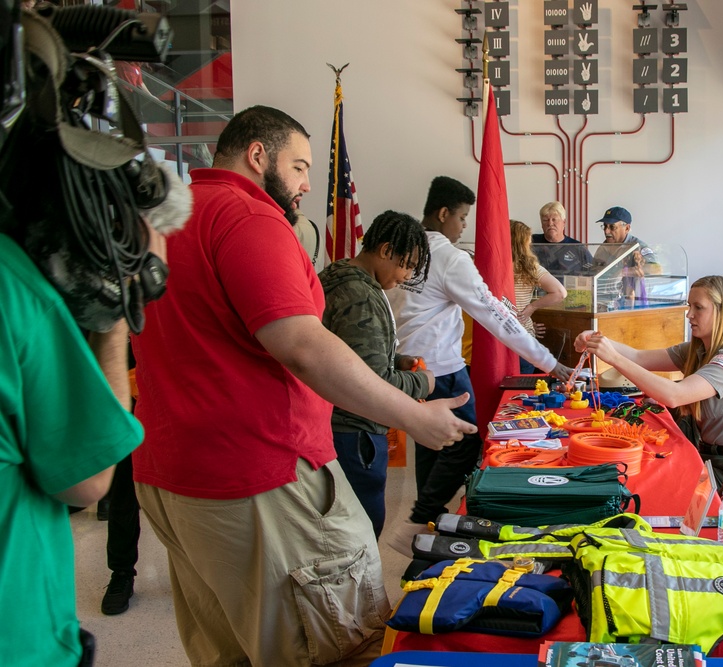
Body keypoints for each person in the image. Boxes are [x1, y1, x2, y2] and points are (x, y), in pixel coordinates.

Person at [131, 106, 477, 667]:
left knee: (232, 649)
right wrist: (415, 415)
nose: (307, 183)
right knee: (339, 644)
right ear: (258, 155)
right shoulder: (249, 216)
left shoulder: (167, 217)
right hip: (259, 472)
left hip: (172, 474)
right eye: (299, 166)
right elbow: (303, 345)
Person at [385, 176, 572, 555]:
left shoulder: (402, 248)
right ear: (443, 214)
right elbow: (497, 317)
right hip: (441, 368)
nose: (465, 227)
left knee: (430, 444)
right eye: (463, 218)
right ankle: (420, 520)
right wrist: (550, 363)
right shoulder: (450, 258)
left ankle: (427, 527)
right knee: (466, 443)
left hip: (405, 367)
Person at [0, 234, 144, 665]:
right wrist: (118, 315)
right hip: (20, 639)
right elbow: (88, 478)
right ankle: (121, 572)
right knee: (115, 486)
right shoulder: (15, 285)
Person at [575, 275, 723, 479]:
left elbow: (675, 395)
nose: (689, 314)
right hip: (709, 456)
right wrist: (596, 338)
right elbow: (640, 357)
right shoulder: (698, 350)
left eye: (698, 307)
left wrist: (614, 358)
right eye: (689, 306)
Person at [319, 210, 435, 538]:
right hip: (353, 432)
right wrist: (422, 382)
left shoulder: (343, 276)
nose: (407, 275)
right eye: (407, 264)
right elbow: (371, 383)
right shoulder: (361, 297)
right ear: (385, 251)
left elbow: (347, 354)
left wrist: (394, 359)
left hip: (338, 427)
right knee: (363, 528)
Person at [512, 219, 567, 374]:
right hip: (523, 337)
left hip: (498, 338)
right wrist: (531, 307)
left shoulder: (493, 265)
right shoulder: (531, 267)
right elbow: (560, 292)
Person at [591, 206, 658, 308]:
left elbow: (656, 269)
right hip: (605, 304)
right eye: (605, 226)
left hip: (632, 306)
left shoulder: (637, 246)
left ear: (627, 228)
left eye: (612, 227)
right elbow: (594, 271)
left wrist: (624, 272)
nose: (606, 231)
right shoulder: (603, 247)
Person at [531, 201, 592, 275]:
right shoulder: (531, 242)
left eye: (554, 219)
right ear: (541, 224)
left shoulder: (577, 247)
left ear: (564, 222)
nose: (550, 223)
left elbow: (592, 272)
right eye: (545, 220)